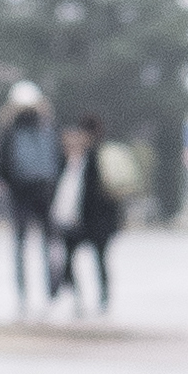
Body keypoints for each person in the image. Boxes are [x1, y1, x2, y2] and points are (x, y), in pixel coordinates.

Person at [0, 83, 63, 314]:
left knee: (22, 246)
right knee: (46, 244)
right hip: (43, 192)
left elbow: (1, 165)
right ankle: (46, 294)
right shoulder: (47, 126)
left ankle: (26, 296)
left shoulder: (10, 129)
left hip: (21, 193)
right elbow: (58, 162)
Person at [53, 117, 119, 313]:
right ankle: (78, 298)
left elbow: (93, 193)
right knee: (70, 260)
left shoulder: (95, 159)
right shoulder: (69, 160)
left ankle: (103, 298)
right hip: (76, 221)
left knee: (99, 260)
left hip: (95, 220)